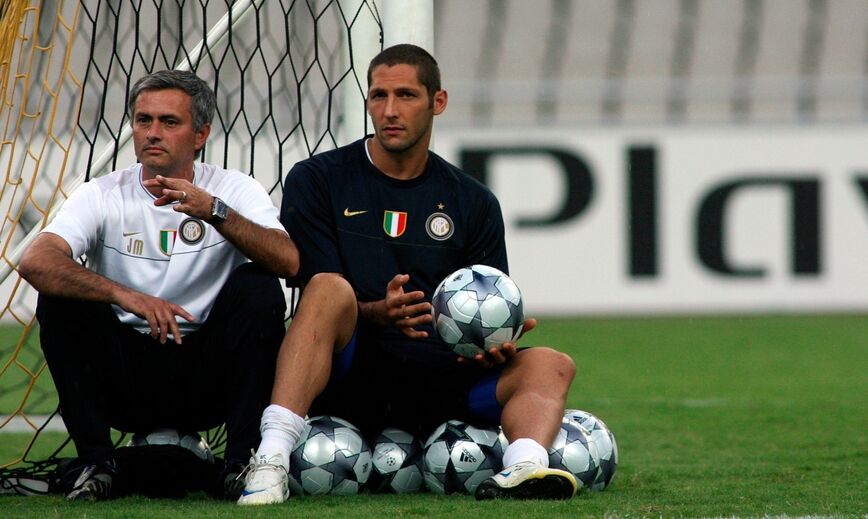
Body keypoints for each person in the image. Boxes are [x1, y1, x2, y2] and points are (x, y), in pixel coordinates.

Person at [237, 43, 577, 505]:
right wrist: (376, 312)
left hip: (442, 378)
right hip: (350, 375)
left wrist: (493, 344)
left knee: (552, 363)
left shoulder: (473, 201)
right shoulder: (318, 179)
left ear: (438, 101)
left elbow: (486, 301)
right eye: (379, 96)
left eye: (406, 96)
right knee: (328, 287)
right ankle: (271, 460)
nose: (390, 110)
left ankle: (525, 467)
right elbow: (316, 298)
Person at [18, 70, 299, 501]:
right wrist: (125, 295)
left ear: (200, 134)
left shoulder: (232, 188)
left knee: (258, 287)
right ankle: (97, 463)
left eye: (169, 122)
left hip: (208, 378)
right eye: (143, 120)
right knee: (61, 297)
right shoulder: (102, 193)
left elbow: (288, 261)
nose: (152, 132)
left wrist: (214, 211)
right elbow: (35, 260)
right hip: (126, 377)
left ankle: (240, 463)